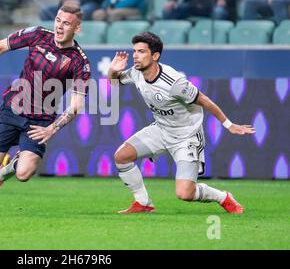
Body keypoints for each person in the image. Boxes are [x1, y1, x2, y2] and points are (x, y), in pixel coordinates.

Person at [107, 31, 255, 214]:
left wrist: (229, 125)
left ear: (155, 56)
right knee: (121, 157)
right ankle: (144, 203)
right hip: (161, 130)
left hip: (187, 136)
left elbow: (205, 100)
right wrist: (113, 70)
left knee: (185, 193)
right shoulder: (136, 73)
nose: (135, 56)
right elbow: (115, 82)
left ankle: (223, 197)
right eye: (135, 51)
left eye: (141, 51)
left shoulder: (174, 82)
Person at [0, 5, 91, 188]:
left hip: (41, 120)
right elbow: (0, 46)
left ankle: (14, 164)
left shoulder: (80, 62)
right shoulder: (38, 34)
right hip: (13, 108)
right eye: (58, 20)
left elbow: (76, 105)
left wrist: (52, 128)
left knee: (23, 174)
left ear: (77, 28)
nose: (59, 26)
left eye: (66, 23)